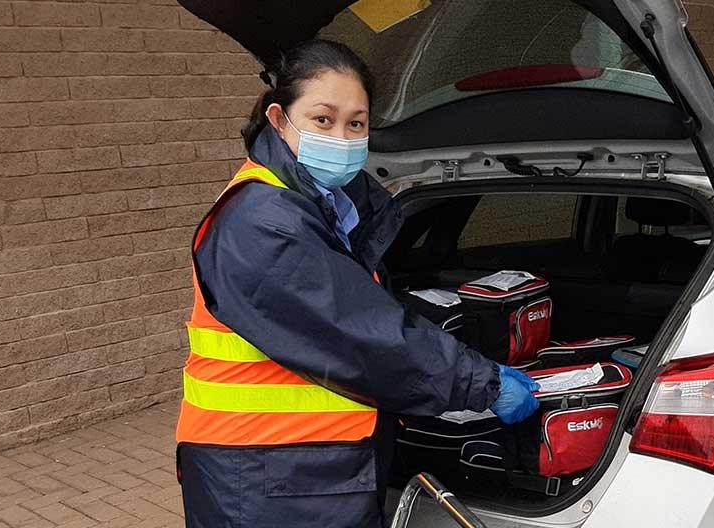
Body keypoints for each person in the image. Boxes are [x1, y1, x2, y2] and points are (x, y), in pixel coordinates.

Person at [175, 39, 541, 528]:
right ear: (280, 120)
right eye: (323, 120)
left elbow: (363, 310)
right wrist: (481, 382)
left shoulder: (323, 206)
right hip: (267, 478)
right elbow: (361, 332)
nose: (343, 137)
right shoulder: (263, 221)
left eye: (356, 123)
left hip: (303, 471)